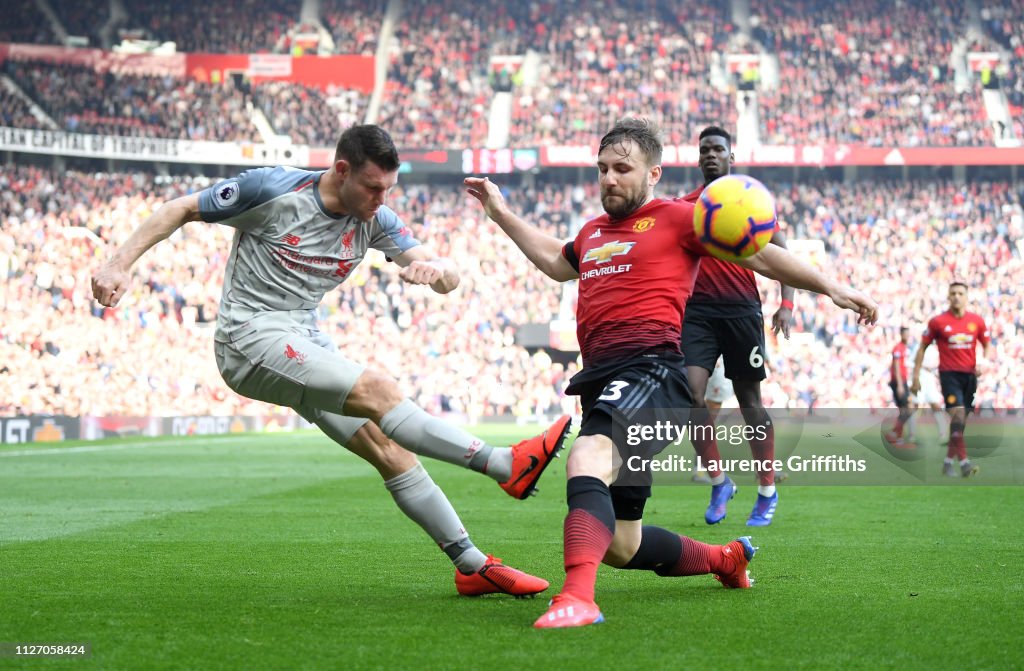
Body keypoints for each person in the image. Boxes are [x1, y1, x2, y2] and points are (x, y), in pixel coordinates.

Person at [92, 124, 572, 597]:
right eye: (373, 187)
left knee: (388, 447)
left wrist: (435, 271)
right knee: (379, 389)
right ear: (341, 170)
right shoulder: (272, 188)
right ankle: (505, 465)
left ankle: (470, 564)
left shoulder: (376, 220)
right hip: (248, 336)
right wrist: (119, 263)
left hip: (302, 341)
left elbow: (449, 278)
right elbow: (181, 207)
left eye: (389, 188)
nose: (381, 199)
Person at [465, 118, 878, 628]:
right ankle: (723, 560)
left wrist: (831, 287)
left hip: (655, 374)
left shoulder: (681, 218)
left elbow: (763, 255)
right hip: (603, 382)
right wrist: (501, 213)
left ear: (654, 173)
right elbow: (555, 259)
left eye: (622, 168)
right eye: (602, 169)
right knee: (621, 543)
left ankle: (578, 598)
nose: (609, 179)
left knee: (588, 456)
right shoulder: (592, 233)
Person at [678, 126, 795, 526]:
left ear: (732, 157)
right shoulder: (687, 206)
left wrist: (788, 302)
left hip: (742, 309)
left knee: (750, 402)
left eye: (718, 149)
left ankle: (766, 489)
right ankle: (718, 480)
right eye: (705, 150)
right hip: (697, 314)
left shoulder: (751, 200)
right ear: (698, 159)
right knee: (691, 396)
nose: (711, 155)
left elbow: (782, 250)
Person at [910, 282, 992, 477]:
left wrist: (983, 362)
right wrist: (915, 375)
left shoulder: (977, 321)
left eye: (960, 293)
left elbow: (987, 345)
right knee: (958, 416)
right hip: (949, 376)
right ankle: (964, 463)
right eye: (953, 293)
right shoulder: (938, 322)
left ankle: (947, 463)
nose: (956, 296)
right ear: (948, 296)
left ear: (966, 297)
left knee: (959, 423)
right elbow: (922, 347)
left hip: (970, 377)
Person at [884, 326, 915, 446]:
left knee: (904, 410)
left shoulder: (904, 348)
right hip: (899, 381)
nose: (907, 336)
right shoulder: (898, 348)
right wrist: (900, 385)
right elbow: (896, 366)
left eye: (909, 334)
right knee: (909, 408)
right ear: (901, 335)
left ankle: (898, 437)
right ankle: (894, 434)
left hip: (902, 381)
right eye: (905, 334)